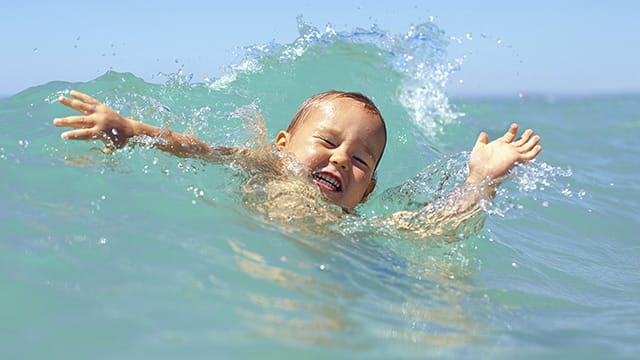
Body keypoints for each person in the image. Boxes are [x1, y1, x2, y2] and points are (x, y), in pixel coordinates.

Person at [53, 90, 541, 240]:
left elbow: (433, 227)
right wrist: (133, 130)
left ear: (367, 190)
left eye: (360, 161)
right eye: (327, 141)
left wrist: (482, 180)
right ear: (284, 145)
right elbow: (199, 147)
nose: (340, 159)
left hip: (340, 264)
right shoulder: (268, 165)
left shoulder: (355, 224)